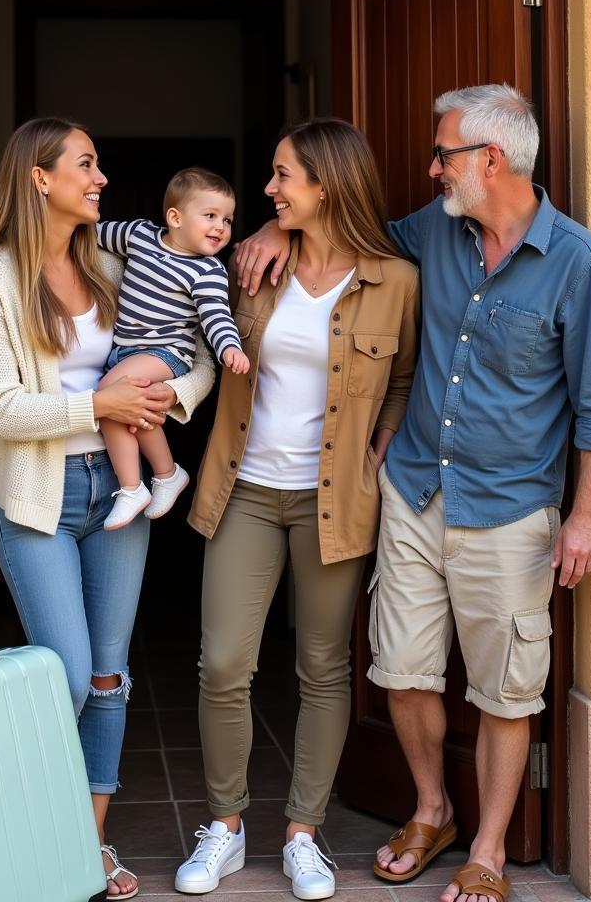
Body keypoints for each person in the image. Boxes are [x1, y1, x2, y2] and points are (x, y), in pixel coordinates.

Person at [233, 84, 591, 902]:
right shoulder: (435, 229)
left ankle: (487, 850)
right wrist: (282, 220)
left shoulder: (578, 263)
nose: (430, 168)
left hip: (513, 507)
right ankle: (432, 809)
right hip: (415, 490)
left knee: (503, 689)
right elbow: (352, 236)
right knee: (404, 671)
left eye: (443, 153)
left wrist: (586, 515)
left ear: (490, 160)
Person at [0, 117, 215, 901]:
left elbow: (195, 346)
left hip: (121, 490)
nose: (100, 177)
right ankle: (28, 823)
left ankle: (86, 846)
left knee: (109, 677)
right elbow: (0, 409)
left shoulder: (111, 259)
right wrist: (96, 403)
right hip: (39, 497)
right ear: (40, 177)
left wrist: (174, 395)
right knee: (65, 677)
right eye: (86, 163)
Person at [174, 118, 419, 901]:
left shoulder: (396, 279)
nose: (270, 188)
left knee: (322, 668)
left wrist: (375, 454)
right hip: (245, 488)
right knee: (223, 664)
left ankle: (303, 834)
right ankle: (225, 825)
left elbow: (408, 380)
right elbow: (167, 260)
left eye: (283, 176)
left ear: (326, 185)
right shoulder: (252, 264)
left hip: (332, 502)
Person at [94, 167, 249, 531]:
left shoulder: (208, 271)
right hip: (124, 351)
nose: (221, 227)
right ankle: (167, 474)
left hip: (166, 354)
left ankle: (132, 487)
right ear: (175, 218)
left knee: (110, 397)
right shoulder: (138, 235)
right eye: (210, 216)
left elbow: (217, 318)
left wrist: (230, 348)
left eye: (227, 219)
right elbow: (88, 234)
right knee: (131, 409)